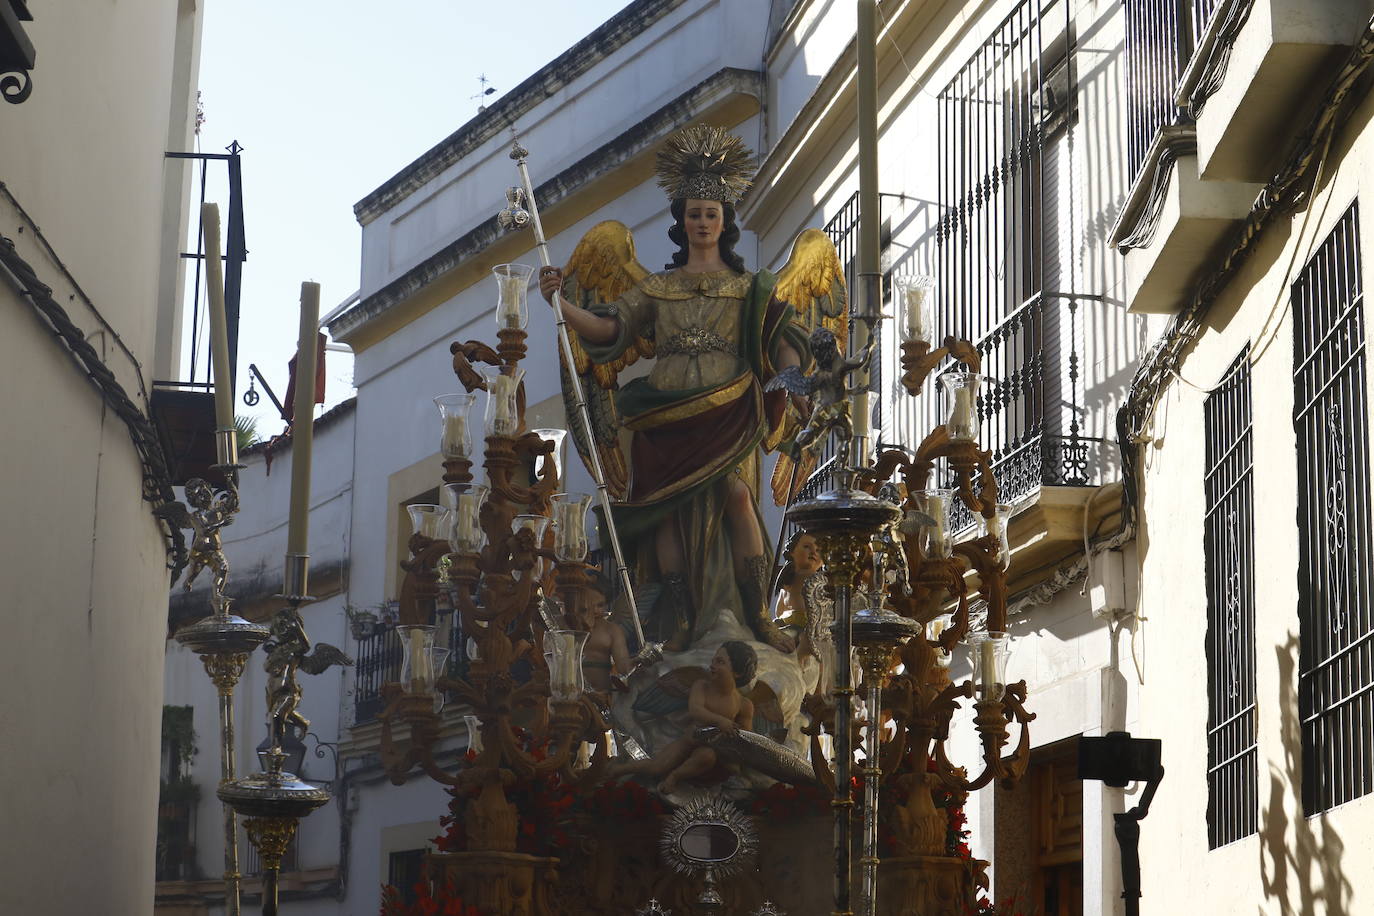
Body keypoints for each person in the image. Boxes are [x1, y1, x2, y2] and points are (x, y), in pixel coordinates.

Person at [540, 126, 810, 654]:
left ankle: (757, 612)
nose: (703, 222)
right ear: (681, 222)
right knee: (664, 514)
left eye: (711, 213)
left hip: (729, 413)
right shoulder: (655, 287)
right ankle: (684, 618)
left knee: (737, 498)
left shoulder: (750, 287)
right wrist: (563, 307)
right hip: (662, 418)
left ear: (725, 221)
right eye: (694, 214)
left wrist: (794, 381)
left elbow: (782, 340)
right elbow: (609, 329)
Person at [608, 640, 757, 795]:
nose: (712, 665)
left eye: (720, 662)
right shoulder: (702, 686)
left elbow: (745, 736)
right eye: (713, 660)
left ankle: (674, 777)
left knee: (707, 756)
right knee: (657, 766)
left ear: (737, 672)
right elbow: (696, 710)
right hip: (689, 741)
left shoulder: (743, 704)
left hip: (715, 751)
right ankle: (621, 769)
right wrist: (720, 721)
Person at [773, 532, 835, 696]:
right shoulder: (787, 578)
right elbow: (779, 609)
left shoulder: (818, 580)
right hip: (785, 626)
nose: (813, 552)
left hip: (806, 629)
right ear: (792, 551)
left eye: (818, 549)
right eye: (806, 547)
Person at [582, 573, 632, 692]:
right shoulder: (569, 625)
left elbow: (622, 665)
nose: (594, 610)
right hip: (574, 691)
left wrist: (635, 663)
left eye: (600, 605)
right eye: (589, 604)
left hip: (603, 692)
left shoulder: (612, 630)